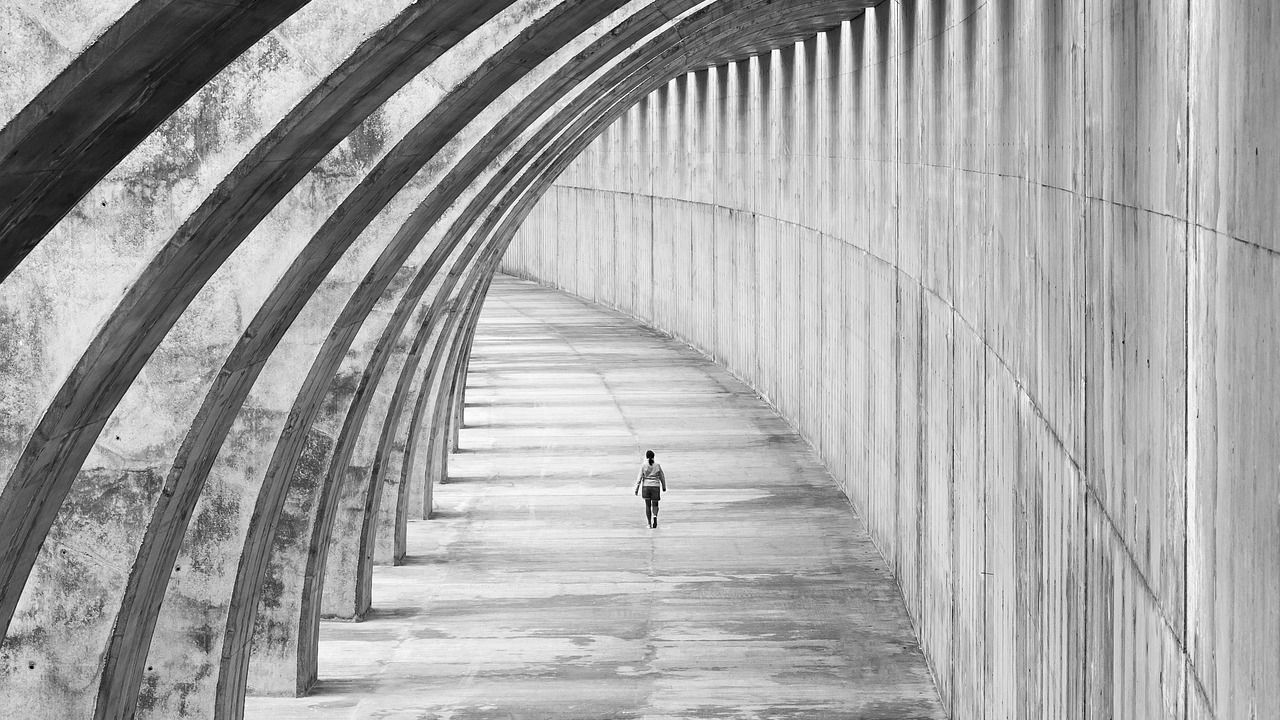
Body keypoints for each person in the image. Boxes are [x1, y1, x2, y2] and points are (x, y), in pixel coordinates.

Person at [633, 449, 667, 528]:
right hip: (655, 486)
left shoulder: (644, 466)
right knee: (655, 504)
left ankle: (649, 523)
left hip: (646, 487)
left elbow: (639, 478)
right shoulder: (657, 465)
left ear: (646, 457)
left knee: (647, 506)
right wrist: (664, 487)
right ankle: (655, 516)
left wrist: (636, 489)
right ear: (653, 457)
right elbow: (662, 476)